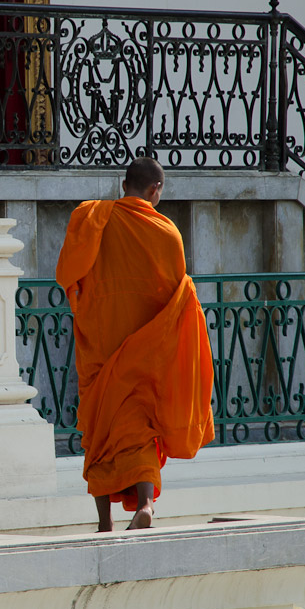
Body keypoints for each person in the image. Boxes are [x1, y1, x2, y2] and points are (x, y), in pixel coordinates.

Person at [55, 157, 215, 532]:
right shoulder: (166, 232)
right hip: (145, 347)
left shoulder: (91, 218)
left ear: (123, 183)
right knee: (139, 426)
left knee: (100, 427)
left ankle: (104, 522)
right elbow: (176, 297)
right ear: (155, 190)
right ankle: (145, 504)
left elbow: (68, 275)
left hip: (102, 342)